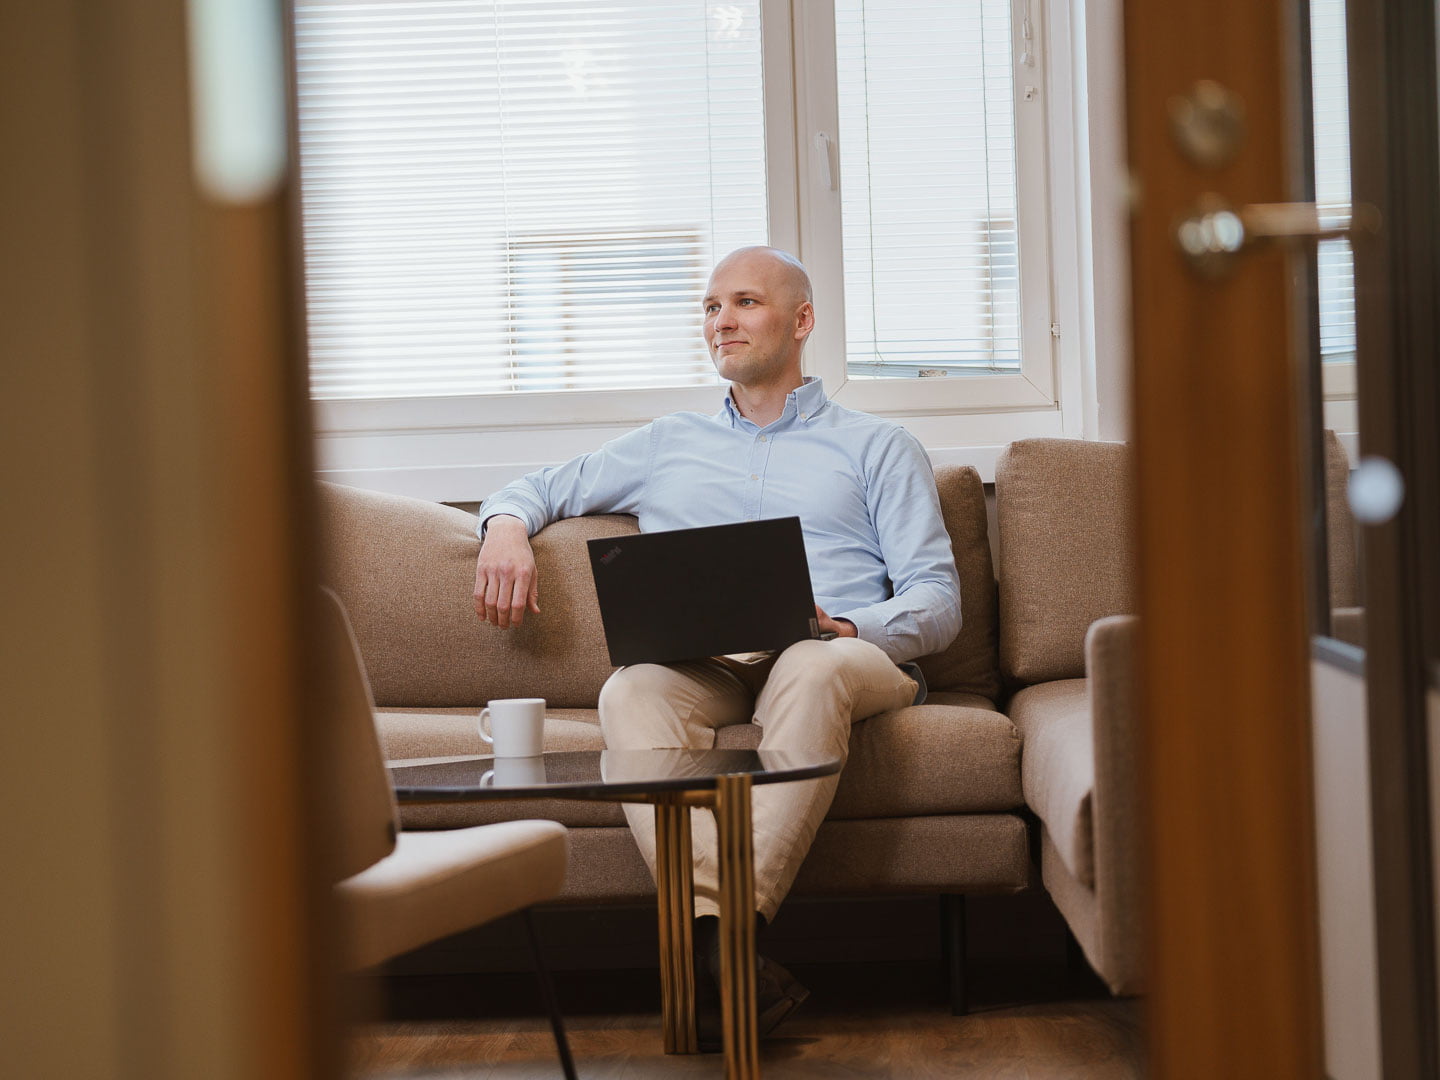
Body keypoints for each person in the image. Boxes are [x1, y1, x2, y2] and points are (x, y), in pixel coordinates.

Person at [472, 246, 962, 1044]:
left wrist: (846, 626)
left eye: (743, 302)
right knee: (628, 688)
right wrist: (503, 528)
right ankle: (726, 951)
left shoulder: (879, 446)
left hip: (834, 654)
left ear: (801, 321)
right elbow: (536, 489)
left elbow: (939, 605)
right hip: (706, 664)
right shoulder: (667, 442)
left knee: (808, 664)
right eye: (709, 306)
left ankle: (713, 942)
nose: (721, 320)